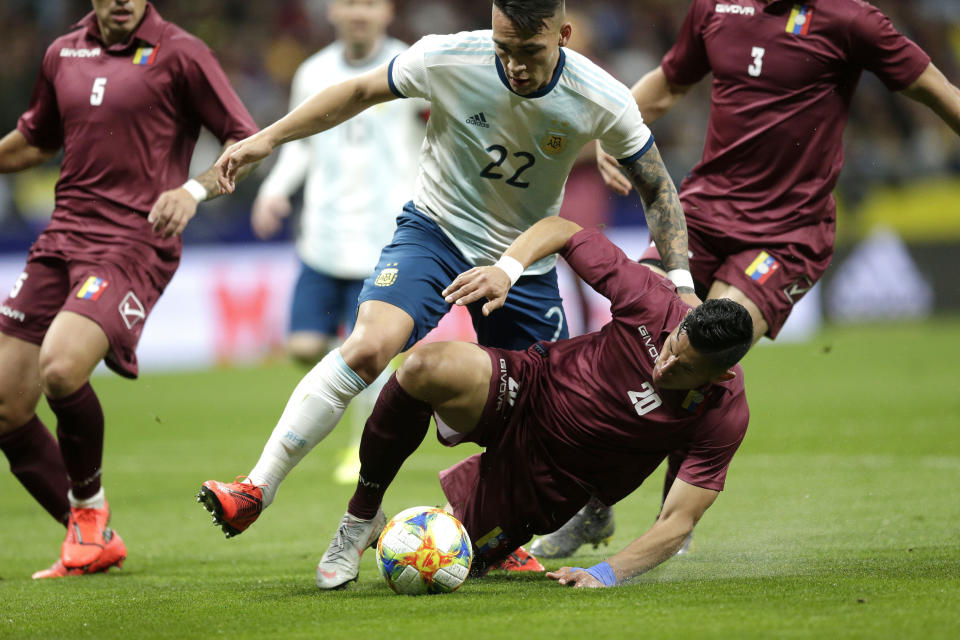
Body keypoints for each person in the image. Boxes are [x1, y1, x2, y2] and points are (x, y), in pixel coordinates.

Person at [197, 0, 700, 589]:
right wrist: (270, 139)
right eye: (502, 48)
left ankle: (502, 535)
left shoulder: (601, 96)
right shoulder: (449, 55)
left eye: (530, 52)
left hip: (525, 265)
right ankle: (264, 488)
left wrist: (684, 284)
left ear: (563, 35)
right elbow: (358, 92)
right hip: (435, 233)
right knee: (368, 347)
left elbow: (659, 188)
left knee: (535, 426)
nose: (513, 65)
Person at [535, 0, 960, 560]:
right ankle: (594, 504)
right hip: (703, 213)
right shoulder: (715, 10)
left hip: (785, 237)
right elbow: (664, 86)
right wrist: (615, 135)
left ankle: (671, 522)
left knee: (700, 351)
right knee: (633, 345)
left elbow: (935, 90)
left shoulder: (850, 20)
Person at [335, 215, 753, 586]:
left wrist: (604, 574)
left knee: (452, 561)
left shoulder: (724, 413)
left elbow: (678, 521)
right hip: (530, 386)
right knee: (423, 366)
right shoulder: (655, 301)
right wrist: (507, 270)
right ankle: (363, 510)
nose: (665, 367)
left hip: (551, 481)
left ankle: (485, 523)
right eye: (671, 347)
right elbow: (564, 231)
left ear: (720, 374)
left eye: (683, 369)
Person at [0, 0, 258, 579]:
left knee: (62, 368)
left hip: (134, 242)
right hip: (61, 236)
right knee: (5, 405)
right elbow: (36, 139)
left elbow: (246, 138)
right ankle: (94, 539)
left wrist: (191, 190)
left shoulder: (182, 53)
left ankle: (88, 515)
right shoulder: (61, 52)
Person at [251, 0, 425, 484]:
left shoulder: (411, 66)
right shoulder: (313, 73)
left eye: (369, 4)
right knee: (304, 346)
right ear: (332, 12)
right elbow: (302, 143)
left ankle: (359, 447)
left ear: (389, 11)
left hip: (384, 233)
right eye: (350, 3)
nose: (359, 14)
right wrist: (274, 189)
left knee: (369, 347)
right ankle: (344, 374)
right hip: (324, 236)